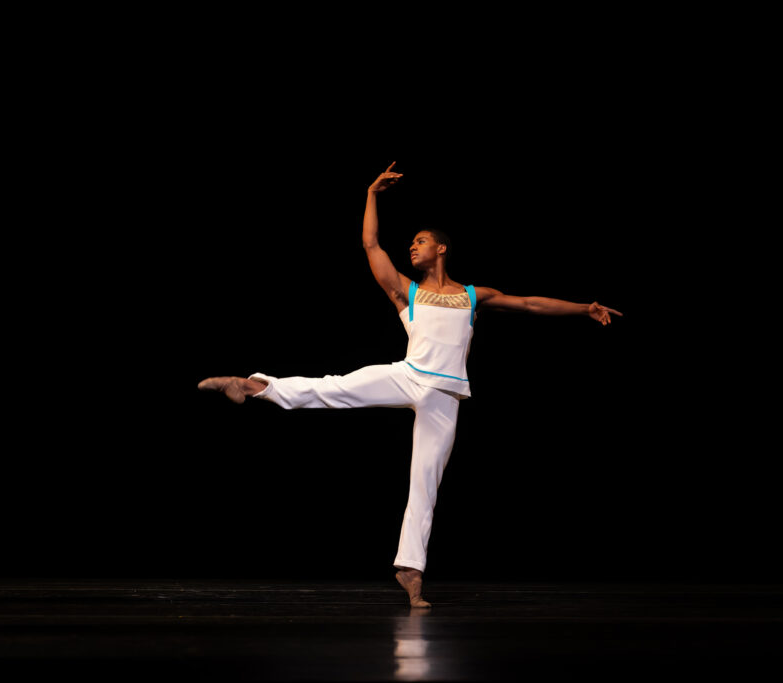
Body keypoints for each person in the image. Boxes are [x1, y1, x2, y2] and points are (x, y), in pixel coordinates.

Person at [198, 162, 622, 608]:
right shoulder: (407, 292)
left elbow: (532, 304)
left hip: (445, 395)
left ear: (441, 248)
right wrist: (371, 193)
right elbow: (370, 244)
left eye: (420, 241)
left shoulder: (473, 295)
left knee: (425, 483)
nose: (412, 247)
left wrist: (583, 308)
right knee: (333, 387)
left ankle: (411, 571)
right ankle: (252, 386)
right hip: (408, 375)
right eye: (412, 242)